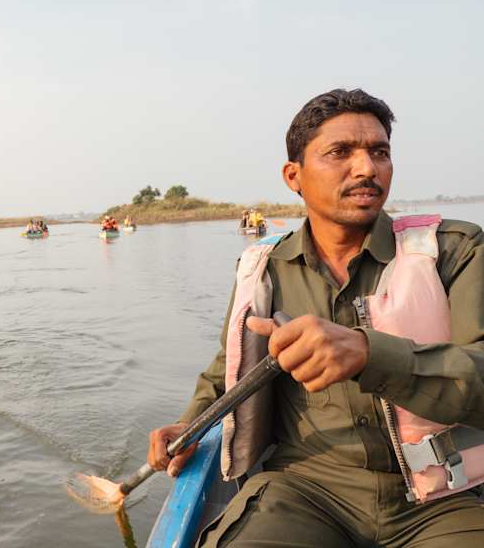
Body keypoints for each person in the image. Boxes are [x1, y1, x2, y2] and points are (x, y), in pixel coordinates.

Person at [147, 88, 484, 547]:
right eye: (340, 152)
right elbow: (225, 370)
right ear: (294, 176)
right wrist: (190, 424)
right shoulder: (263, 269)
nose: (367, 168)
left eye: (379, 152)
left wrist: (369, 354)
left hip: (445, 495)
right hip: (306, 489)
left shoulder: (456, 251)